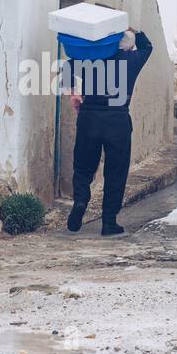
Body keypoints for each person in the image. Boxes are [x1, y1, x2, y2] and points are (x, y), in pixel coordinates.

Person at [65, 27, 153, 236]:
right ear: (130, 47)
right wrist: (133, 28)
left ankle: (80, 201)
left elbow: (68, 66)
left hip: (89, 116)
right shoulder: (133, 60)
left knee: (83, 167)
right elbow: (148, 46)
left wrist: (73, 94)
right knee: (116, 172)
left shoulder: (90, 59)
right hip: (118, 120)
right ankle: (109, 222)